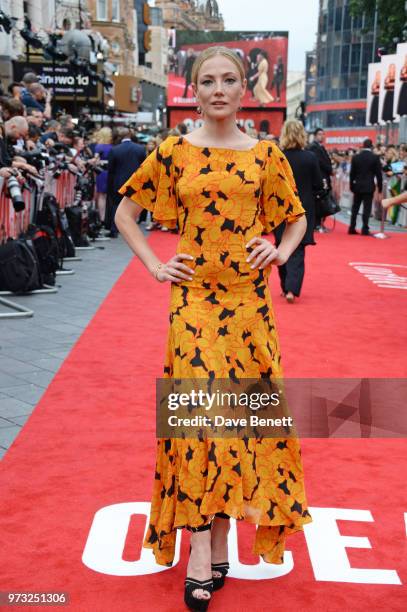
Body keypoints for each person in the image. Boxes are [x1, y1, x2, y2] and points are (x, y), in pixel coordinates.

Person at [115, 46, 312, 611]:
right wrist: (155, 264)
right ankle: (200, 549)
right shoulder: (174, 151)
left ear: (244, 88)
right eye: (208, 81)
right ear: (193, 91)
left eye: (229, 79)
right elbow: (125, 213)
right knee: (198, 420)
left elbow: (297, 215)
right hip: (194, 304)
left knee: (240, 420)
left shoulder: (266, 156)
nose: (219, 89)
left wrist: (279, 250)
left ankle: (224, 536)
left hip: (250, 306)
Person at [274, 119, 323, 303]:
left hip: (280, 208)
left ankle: (285, 285)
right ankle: (291, 289)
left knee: (281, 245)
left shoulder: (278, 156)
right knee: (298, 248)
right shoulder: (310, 157)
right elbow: (319, 184)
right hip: (303, 208)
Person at [106, 127, 145, 238]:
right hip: (135, 182)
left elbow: (111, 169)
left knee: (116, 205)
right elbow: (144, 167)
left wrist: (110, 184)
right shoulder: (140, 149)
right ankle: (131, 229)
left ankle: (114, 229)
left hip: (118, 181)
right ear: (130, 135)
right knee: (133, 206)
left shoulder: (115, 149)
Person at [349, 138, 383, 236]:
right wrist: (380, 188)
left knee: (355, 208)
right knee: (366, 208)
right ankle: (365, 228)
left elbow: (352, 174)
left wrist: (351, 185)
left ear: (363, 146)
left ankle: (352, 227)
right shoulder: (375, 158)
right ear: (371, 146)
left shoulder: (356, 157)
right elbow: (378, 174)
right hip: (369, 186)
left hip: (358, 186)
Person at [308, 128, 333, 231]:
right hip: (320, 177)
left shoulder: (320, 147)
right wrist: (329, 169)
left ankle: (319, 223)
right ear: (315, 135)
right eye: (319, 134)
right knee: (320, 202)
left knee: (323, 201)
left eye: (323, 134)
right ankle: (317, 224)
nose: (322, 136)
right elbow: (320, 163)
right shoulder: (314, 147)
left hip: (324, 176)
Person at [93, 127, 113, 226]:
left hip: (101, 172)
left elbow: (95, 161)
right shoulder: (112, 147)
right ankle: (107, 218)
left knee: (101, 196)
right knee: (107, 196)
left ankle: (102, 218)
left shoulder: (98, 147)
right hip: (110, 172)